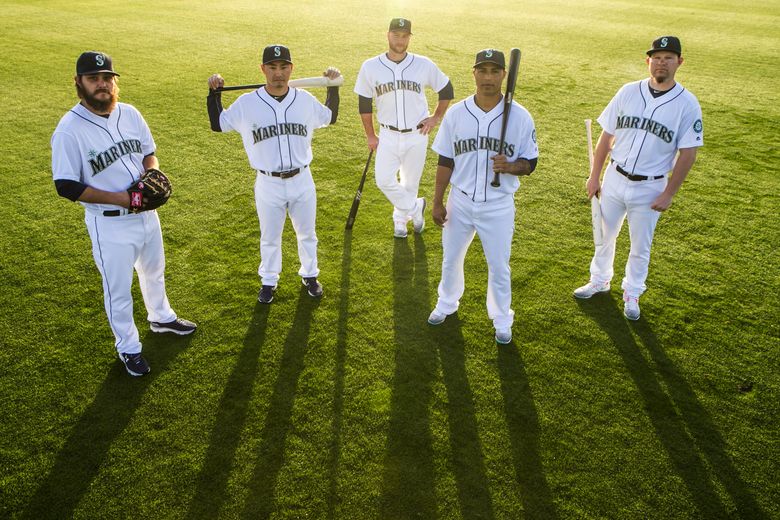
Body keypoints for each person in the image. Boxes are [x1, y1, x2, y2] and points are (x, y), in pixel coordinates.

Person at [51, 51, 197, 377]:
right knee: (118, 290)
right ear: (79, 83)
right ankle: (128, 347)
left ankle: (161, 317)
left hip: (146, 214)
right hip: (110, 225)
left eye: (107, 78)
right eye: (94, 79)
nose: (102, 85)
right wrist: (121, 198)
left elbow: (149, 154)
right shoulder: (69, 130)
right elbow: (66, 185)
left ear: (114, 81)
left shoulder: (130, 113)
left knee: (154, 271)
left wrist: (151, 177)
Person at [573, 36, 704, 320]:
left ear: (679, 62)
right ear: (648, 61)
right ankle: (600, 279)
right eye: (656, 57)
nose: (661, 62)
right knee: (604, 235)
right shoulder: (628, 91)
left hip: (651, 185)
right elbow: (606, 137)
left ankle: (632, 291)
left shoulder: (687, 103)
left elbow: (688, 153)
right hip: (615, 178)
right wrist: (594, 177)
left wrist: (668, 193)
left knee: (640, 245)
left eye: (668, 57)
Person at [207, 44, 341, 303]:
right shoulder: (247, 104)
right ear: (263, 69)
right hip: (267, 182)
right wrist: (214, 94)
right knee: (270, 236)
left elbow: (330, 117)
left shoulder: (303, 100)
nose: (278, 73)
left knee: (307, 233)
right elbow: (218, 124)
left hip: (303, 179)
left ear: (291, 69)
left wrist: (332, 86)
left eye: (283, 67)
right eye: (272, 67)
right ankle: (269, 280)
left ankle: (310, 275)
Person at [427, 49, 538, 344]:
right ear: (474, 73)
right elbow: (445, 160)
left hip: (498, 205)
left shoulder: (521, 116)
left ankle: (502, 318)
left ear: (503, 75)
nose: (488, 77)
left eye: (494, 71)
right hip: (460, 201)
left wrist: (513, 166)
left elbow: (532, 163)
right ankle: (447, 303)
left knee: (499, 265)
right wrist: (438, 200)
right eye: (482, 71)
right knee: (451, 259)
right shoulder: (456, 113)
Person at [354, 17, 454, 238]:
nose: (400, 40)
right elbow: (364, 103)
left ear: (409, 37)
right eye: (396, 35)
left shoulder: (423, 64)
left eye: (404, 35)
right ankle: (415, 207)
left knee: (410, 182)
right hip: (387, 134)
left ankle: (400, 219)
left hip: (417, 133)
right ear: (388, 35)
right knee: (383, 180)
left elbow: (446, 90)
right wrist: (370, 135)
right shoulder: (370, 66)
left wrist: (435, 118)